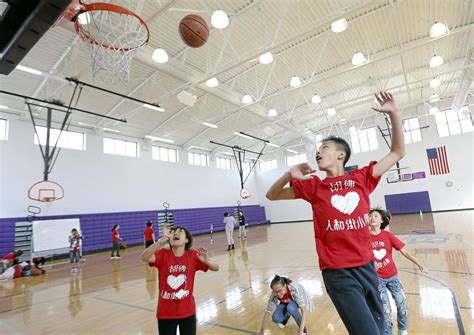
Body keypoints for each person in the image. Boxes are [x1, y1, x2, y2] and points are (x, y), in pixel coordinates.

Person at [266, 92, 405, 334]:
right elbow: (272, 195)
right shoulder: (314, 186)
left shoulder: (361, 178)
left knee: (381, 328)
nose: (318, 152)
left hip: (367, 267)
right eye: (317, 149)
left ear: (341, 155)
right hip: (338, 272)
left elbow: (397, 152)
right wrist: (289, 174)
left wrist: (394, 113)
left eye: (325, 148)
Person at [141, 226, 219, 335]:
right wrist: (159, 242)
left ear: (186, 240)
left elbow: (216, 268)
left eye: (180, 232)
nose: (175, 233)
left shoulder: (192, 255)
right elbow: (144, 257)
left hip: (188, 313)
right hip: (165, 314)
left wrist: (206, 261)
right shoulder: (163, 254)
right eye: (173, 232)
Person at [369, 208, 428, 335]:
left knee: (402, 306)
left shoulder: (387, 236)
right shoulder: (365, 238)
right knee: (386, 311)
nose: (372, 218)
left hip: (392, 277)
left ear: (382, 220)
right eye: (370, 216)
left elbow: (404, 251)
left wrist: (420, 264)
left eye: (375, 216)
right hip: (377, 279)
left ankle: (402, 330)